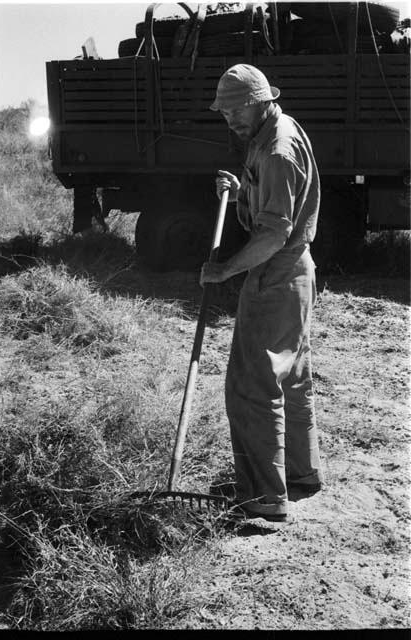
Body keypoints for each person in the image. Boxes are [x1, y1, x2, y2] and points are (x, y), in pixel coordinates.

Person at [201, 64, 324, 522]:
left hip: (277, 271)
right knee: (291, 376)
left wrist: (227, 270)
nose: (229, 118)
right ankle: (299, 473)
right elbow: (271, 201)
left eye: (236, 110)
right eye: (224, 112)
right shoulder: (270, 131)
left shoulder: (276, 148)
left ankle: (263, 496)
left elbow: (273, 233)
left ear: (260, 101)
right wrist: (238, 192)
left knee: (252, 384)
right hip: (291, 271)